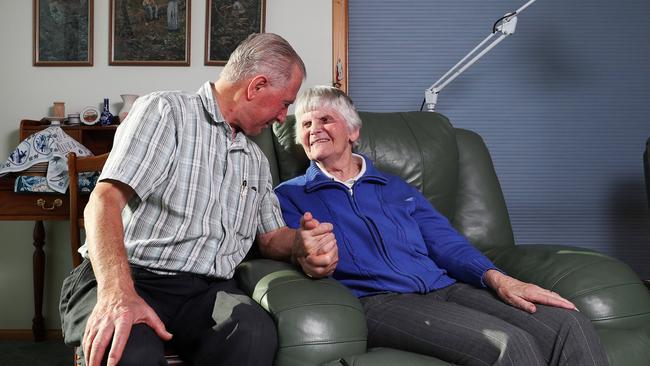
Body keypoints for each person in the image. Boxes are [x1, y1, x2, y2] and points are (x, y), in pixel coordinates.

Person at [274, 85, 609, 366]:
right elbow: (286, 246)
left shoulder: (396, 188)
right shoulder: (291, 196)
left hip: (446, 287)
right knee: (510, 344)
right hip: (379, 301)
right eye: (305, 124)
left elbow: (446, 243)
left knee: (570, 325)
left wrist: (500, 279)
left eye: (325, 119)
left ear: (353, 131)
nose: (314, 128)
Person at [59, 34, 338, 366]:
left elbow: (270, 237)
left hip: (205, 292)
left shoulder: (255, 160)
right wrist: (117, 295)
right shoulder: (166, 112)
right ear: (256, 86)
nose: (282, 117)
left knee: (254, 334)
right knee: (130, 352)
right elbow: (104, 201)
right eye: (285, 103)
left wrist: (300, 244)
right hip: (128, 275)